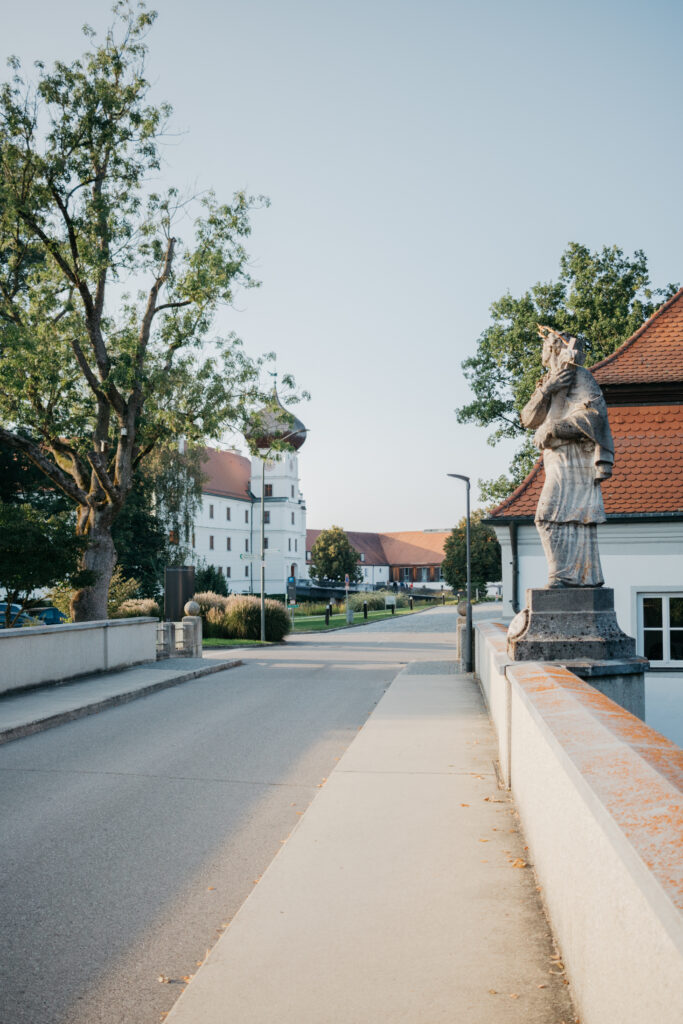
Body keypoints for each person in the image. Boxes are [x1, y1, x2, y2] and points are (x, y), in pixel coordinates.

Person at [520, 326, 614, 587]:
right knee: (563, 518)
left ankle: (561, 577)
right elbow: (528, 418)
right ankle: (575, 577)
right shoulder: (549, 380)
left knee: (549, 516)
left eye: (547, 345)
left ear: (554, 348)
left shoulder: (580, 375)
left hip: (576, 459)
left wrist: (555, 427)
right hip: (554, 460)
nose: (544, 350)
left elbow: (595, 416)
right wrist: (547, 389)